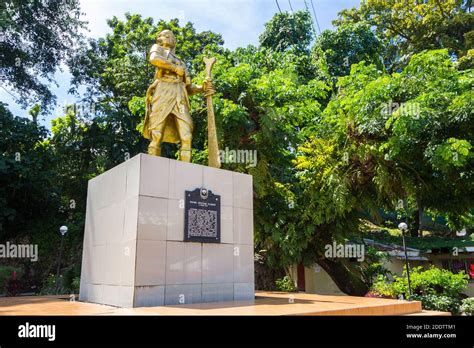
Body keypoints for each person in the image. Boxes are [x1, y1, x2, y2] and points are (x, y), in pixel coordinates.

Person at [143, 29, 215, 162]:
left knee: (186, 136)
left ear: (174, 41)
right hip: (163, 91)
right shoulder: (157, 49)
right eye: (163, 35)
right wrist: (174, 68)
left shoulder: (181, 63)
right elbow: (154, 59)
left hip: (180, 95)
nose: (165, 37)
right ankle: (152, 167)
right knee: (156, 134)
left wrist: (202, 88)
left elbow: (189, 88)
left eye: (169, 36)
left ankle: (186, 171)